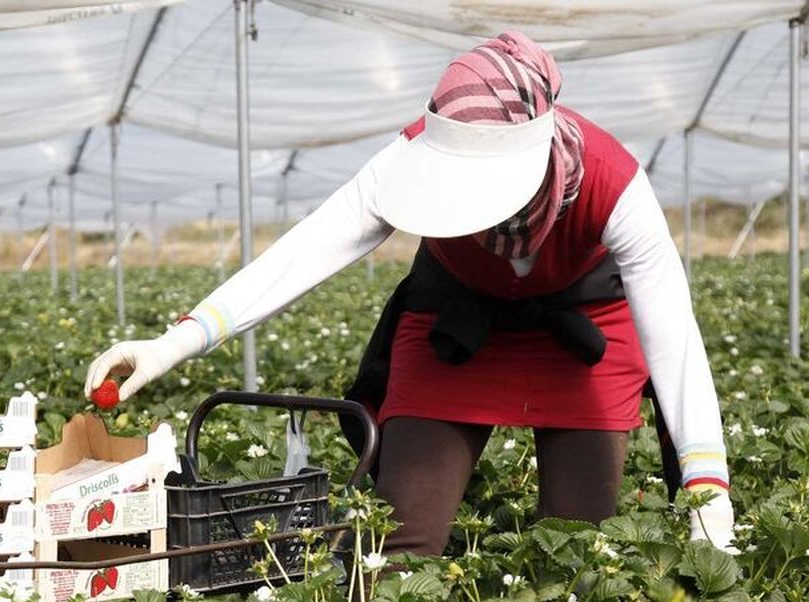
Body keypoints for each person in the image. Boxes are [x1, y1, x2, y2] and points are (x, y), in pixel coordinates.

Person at [85, 33, 734, 555]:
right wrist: (173, 343)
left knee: (576, 548)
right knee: (401, 541)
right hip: (457, 324)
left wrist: (709, 491)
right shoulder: (406, 159)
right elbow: (302, 253)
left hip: (582, 333)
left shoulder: (615, 183)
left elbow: (675, 343)